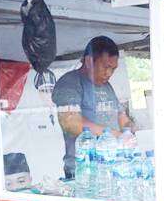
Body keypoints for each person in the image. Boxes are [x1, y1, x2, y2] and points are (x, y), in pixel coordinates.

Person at [53, 36, 134, 179]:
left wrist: (129, 131)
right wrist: (115, 135)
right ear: (89, 61)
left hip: (112, 167)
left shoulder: (106, 86)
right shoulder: (69, 83)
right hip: (84, 172)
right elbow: (71, 123)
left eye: (113, 69)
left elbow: (121, 116)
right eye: (106, 67)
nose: (109, 73)